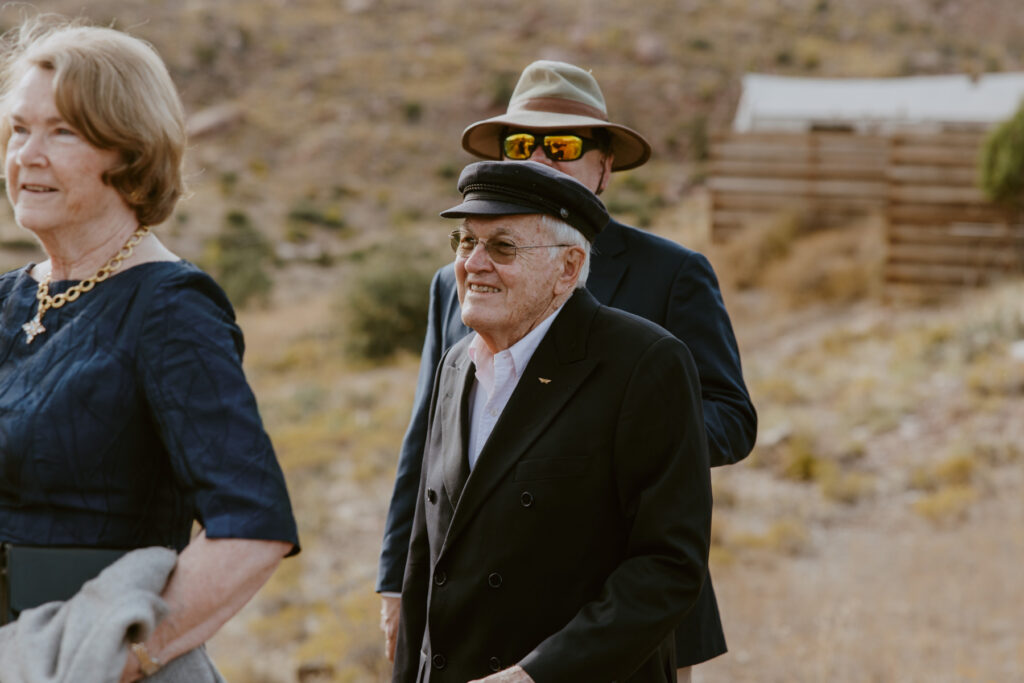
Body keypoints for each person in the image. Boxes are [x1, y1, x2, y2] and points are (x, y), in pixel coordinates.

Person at [379, 60, 756, 678]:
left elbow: (728, 418)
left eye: (562, 145)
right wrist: (396, 579)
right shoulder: (456, 283)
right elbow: (428, 443)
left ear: (604, 166)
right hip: (472, 605)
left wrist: (609, 438)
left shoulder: (671, 275)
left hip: (613, 599)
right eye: (520, 145)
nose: (537, 159)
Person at [0, 18, 299, 682]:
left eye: (64, 131)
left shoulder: (170, 306)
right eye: (20, 129)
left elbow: (253, 526)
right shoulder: (7, 299)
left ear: (128, 152)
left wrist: (126, 655)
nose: (28, 155)